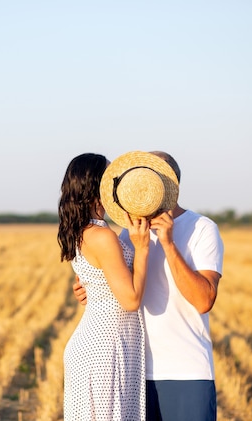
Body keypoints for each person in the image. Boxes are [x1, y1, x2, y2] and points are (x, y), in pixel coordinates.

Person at [74, 150, 224, 421]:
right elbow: (118, 286)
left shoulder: (202, 228)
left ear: (170, 185)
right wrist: (91, 289)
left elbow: (204, 300)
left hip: (186, 371)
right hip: (132, 371)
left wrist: (168, 243)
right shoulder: (128, 233)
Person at [58, 152, 155, 421]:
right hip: (105, 348)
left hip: (100, 343)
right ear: (97, 187)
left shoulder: (83, 231)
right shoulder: (102, 237)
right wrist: (143, 249)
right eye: (112, 180)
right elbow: (131, 300)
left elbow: (99, 285)